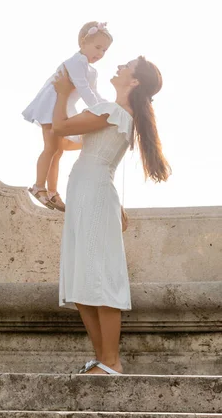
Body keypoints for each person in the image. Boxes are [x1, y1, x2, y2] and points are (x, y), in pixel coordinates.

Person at [52, 56, 171, 375]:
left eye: (126, 66)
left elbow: (61, 127)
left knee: (99, 277)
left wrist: (64, 93)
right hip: (88, 192)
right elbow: (66, 140)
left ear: (134, 81)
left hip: (93, 193)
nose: (119, 66)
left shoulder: (113, 111)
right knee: (82, 283)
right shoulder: (114, 113)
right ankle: (103, 359)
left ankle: (111, 360)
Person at [22, 22, 112, 212]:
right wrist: (98, 110)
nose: (100, 53)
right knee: (51, 147)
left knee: (58, 151)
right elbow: (83, 88)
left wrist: (109, 108)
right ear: (83, 42)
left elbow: (94, 92)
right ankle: (39, 186)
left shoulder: (92, 70)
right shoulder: (76, 62)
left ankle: (53, 192)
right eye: (97, 47)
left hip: (63, 107)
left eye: (104, 50)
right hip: (51, 105)